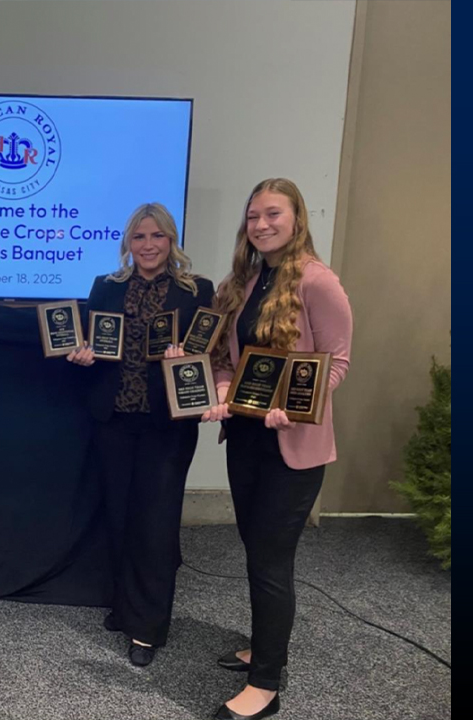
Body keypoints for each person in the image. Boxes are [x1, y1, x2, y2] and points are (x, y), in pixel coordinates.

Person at [200, 178, 352, 720]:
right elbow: (222, 358)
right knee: (254, 548)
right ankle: (265, 646)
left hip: (293, 445)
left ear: (296, 218)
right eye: (253, 216)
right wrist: (220, 390)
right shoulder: (240, 281)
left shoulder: (318, 281)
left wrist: (298, 402)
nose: (261, 225)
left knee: (270, 560)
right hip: (243, 437)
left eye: (272, 214)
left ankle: (265, 684)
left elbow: (336, 362)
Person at [66, 202, 214, 667]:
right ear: (127, 244)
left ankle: (148, 628)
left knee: (155, 524)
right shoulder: (104, 288)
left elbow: (209, 360)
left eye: (157, 237)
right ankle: (126, 605)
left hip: (166, 425)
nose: (148, 245)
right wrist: (82, 356)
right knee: (120, 516)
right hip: (114, 419)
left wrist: (184, 359)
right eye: (139, 237)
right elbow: (91, 343)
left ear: (171, 242)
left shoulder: (198, 292)